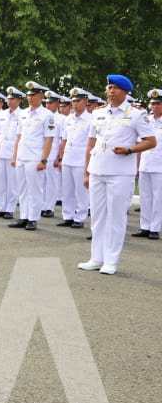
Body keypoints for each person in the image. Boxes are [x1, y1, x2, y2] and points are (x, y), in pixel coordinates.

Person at [78, 75, 157, 274]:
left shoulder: (136, 115)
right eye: (109, 87)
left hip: (120, 173)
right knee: (97, 217)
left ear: (125, 92)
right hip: (97, 169)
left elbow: (151, 141)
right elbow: (90, 144)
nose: (111, 91)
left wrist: (130, 149)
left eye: (115, 88)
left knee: (116, 217)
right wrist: (87, 171)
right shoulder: (98, 113)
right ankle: (96, 257)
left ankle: (111, 261)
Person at [7, 81, 55, 231]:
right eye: (28, 95)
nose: (30, 98)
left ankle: (33, 218)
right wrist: (14, 156)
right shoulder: (23, 114)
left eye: (33, 95)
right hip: (22, 156)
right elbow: (18, 137)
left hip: (35, 157)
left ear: (40, 96)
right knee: (22, 189)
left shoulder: (47, 115)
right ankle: (24, 216)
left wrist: (44, 159)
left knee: (35, 190)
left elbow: (49, 139)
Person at [55, 88, 93, 228]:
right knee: (67, 189)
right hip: (68, 158)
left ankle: (80, 217)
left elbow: (91, 142)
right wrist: (60, 157)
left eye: (78, 101)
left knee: (81, 190)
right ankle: (68, 216)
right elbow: (64, 140)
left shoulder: (90, 119)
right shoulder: (68, 119)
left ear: (85, 101)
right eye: (73, 101)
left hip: (81, 159)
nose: (75, 104)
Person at [0, 87, 24, 220]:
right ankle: (1, 207)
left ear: (19, 100)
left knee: (12, 183)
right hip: (1, 151)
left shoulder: (22, 115)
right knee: (0, 182)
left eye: (13, 98)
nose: (10, 101)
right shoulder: (2, 115)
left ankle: (10, 208)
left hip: (12, 153)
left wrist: (16, 155)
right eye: (8, 99)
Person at [132, 88, 162, 239]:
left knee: (158, 198)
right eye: (152, 104)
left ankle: (155, 229)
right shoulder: (146, 120)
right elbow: (139, 143)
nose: (154, 106)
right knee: (145, 197)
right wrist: (136, 165)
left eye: (158, 103)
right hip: (145, 163)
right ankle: (145, 226)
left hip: (160, 167)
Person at [41, 92, 65, 218]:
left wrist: (59, 157)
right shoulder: (43, 116)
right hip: (42, 154)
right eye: (46, 102)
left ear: (56, 103)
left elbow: (62, 140)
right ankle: (41, 205)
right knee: (41, 181)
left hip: (53, 153)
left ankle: (49, 207)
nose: (47, 105)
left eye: (50, 102)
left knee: (51, 182)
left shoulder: (61, 119)